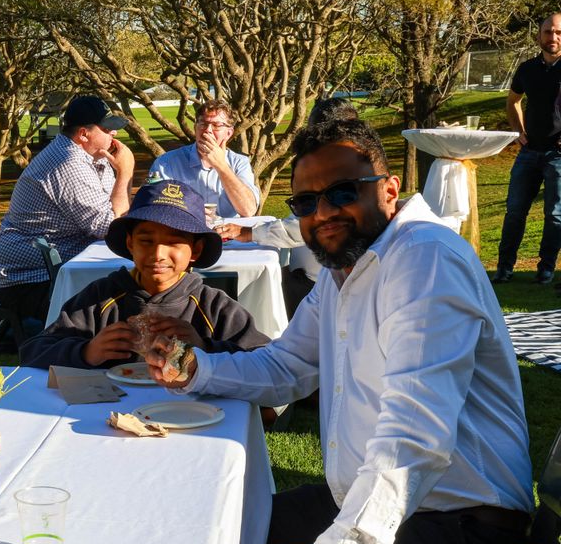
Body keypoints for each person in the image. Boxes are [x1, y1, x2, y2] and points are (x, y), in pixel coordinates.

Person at [147, 118, 534, 544]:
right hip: (377, 499)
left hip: (462, 524)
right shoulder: (344, 271)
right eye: (305, 202)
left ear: (389, 189)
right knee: (227, 528)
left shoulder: (424, 259)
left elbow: (415, 433)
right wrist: (196, 370)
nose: (322, 212)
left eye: (342, 192)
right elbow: (288, 366)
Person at [20, 180, 267, 368]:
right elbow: (33, 351)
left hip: (193, 413)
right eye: (146, 241)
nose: (158, 254)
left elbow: (264, 362)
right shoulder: (100, 298)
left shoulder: (212, 306)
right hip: (110, 414)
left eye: (173, 242)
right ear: (130, 244)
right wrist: (86, 352)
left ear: (196, 250)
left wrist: (204, 348)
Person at [0, 96, 134, 322]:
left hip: (47, 268)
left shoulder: (94, 158)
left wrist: (123, 173)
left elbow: (118, 211)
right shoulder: (68, 163)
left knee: (121, 289)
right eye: (107, 129)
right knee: (114, 303)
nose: (114, 133)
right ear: (83, 134)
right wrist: (126, 171)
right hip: (23, 279)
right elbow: (110, 227)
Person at [215, 98, 360, 318]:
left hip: (318, 285)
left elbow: (301, 227)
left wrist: (248, 233)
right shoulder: (343, 163)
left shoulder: (342, 170)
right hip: (311, 278)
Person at [493, 12, 561, 289]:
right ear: (539, 36)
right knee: (514, 212)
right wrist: (518, 132)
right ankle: (504, 268)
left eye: (558, 32)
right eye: (548, 32)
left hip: (558, 156)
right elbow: (513, 101)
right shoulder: (527, 69)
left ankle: (546, 270)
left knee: (555, 215)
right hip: (529, 152)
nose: (553, 37)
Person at [147, 100, 259, 218]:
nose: (208, 130)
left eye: (216, 125)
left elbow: (248, 210)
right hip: (183, 227)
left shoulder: (239, 162)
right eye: (203, 124)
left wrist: (221, 166)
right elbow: (152, 205)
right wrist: (190, 210)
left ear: (228, 133)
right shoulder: (166, 163)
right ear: (195, 127)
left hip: (227, 229)